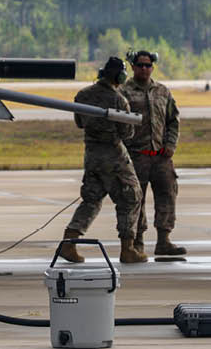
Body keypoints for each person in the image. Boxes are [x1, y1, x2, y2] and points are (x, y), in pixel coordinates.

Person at [59, 57, 148, 264]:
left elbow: (80, 123)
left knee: (91, 200)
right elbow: (126, 133)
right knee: (131, 197)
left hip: (92, 156)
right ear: (120, 76)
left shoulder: (82, 95)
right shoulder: (118, 100)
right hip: (113, 156)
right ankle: (128, 249)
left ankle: (69, 241)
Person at [123, 50, 186, 257]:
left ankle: (163, 240)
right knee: (135, 201)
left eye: (148, 65)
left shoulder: (162, 91)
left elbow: (173, 121)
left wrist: (170, 145)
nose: (144, 69)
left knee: (167, 196)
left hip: (160, 156)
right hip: (136, 155)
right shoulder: (124, 92)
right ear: (132, 66)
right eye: (140, 65)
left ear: (152, 67)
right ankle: (137, 243)